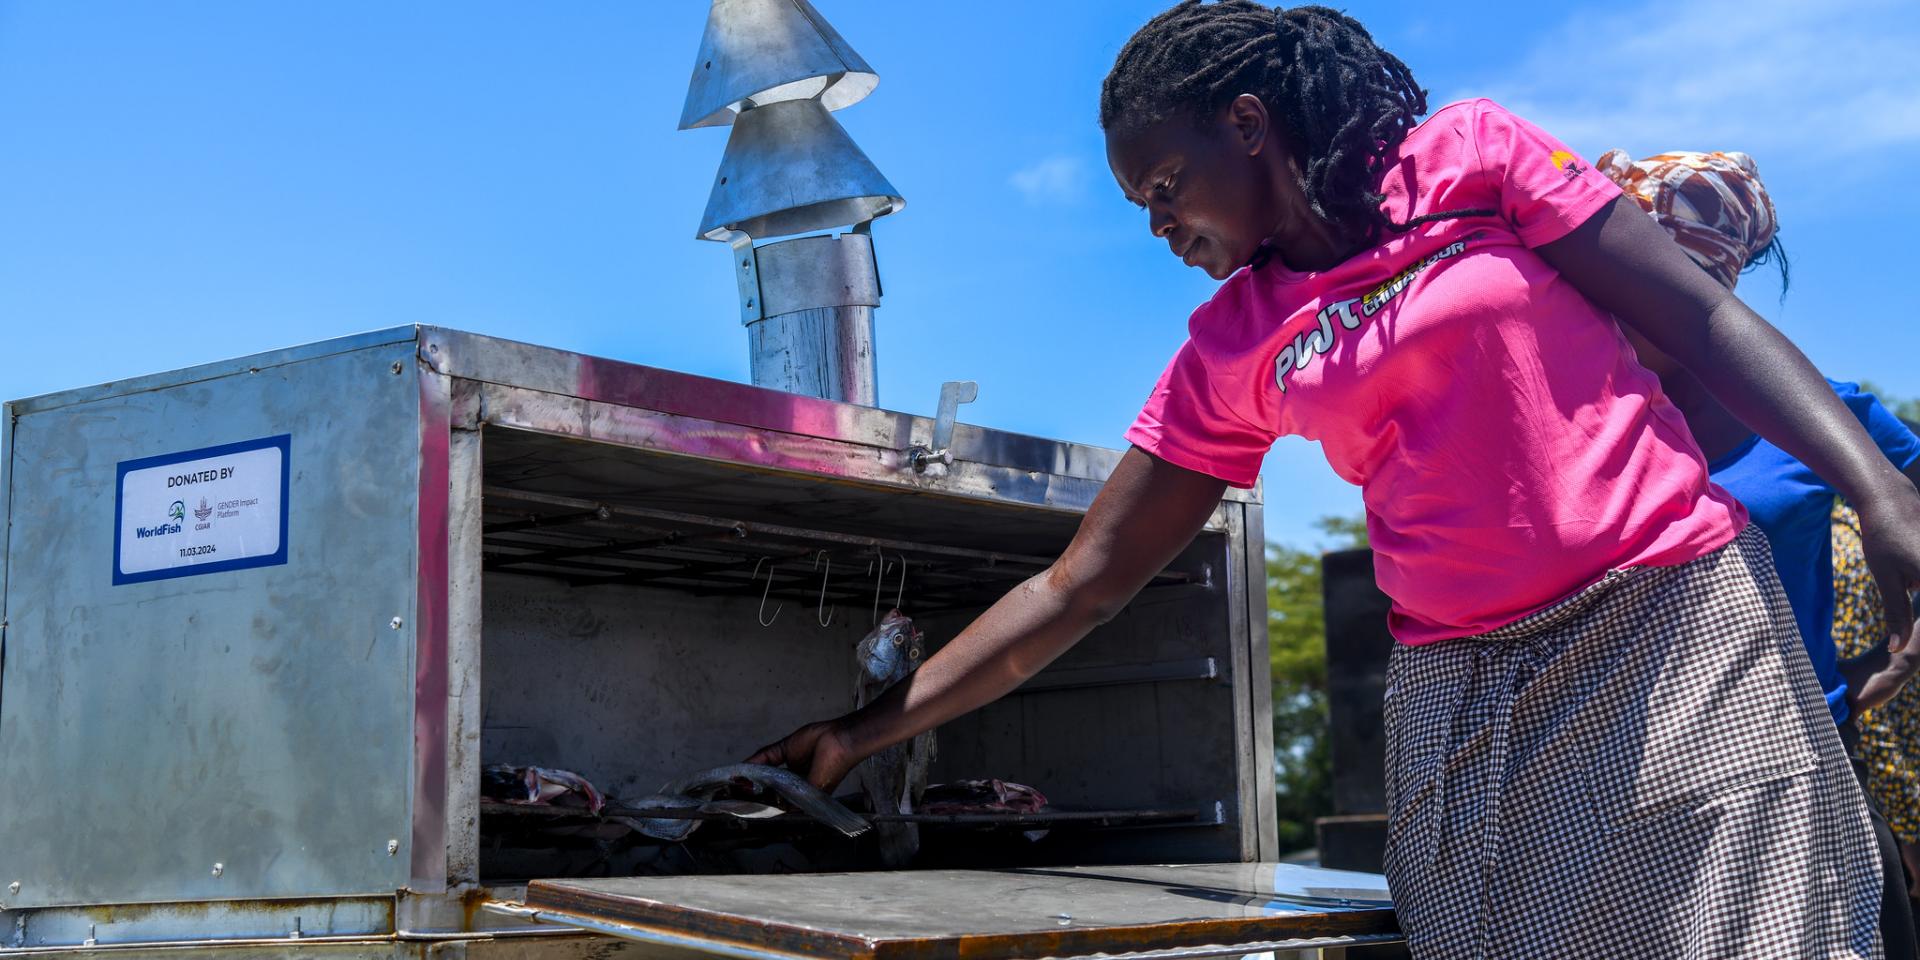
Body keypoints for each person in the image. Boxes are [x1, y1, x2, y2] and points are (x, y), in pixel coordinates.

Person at [748, 3, 1920, 955]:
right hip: (1464, 698)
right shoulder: (1230, 344)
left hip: (1669, 633)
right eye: (1137, 207)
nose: (1158, 227)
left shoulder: (1472, 158)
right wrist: (862, 733)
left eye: (1164, 185)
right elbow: (1083, 585)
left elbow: (1705, 317)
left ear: (1249, 122)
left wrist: (1882, 491)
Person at [1597, 147, 1920, 958]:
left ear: (1703, 289)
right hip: (1629, 788)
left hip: (1810, 783)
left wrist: (1905, 651)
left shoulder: (1826, 419)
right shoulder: (1585, 425)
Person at [1837, 499, 1920, 911]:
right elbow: (1870, 712)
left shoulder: (1847, 549)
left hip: (1893, 801)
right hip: (1896, 802)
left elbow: (1868, 710)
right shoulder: (1860, 547)